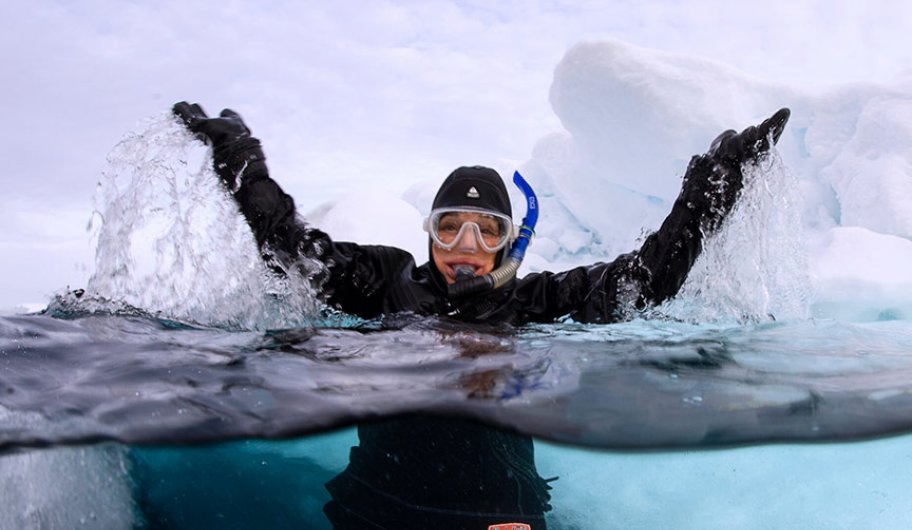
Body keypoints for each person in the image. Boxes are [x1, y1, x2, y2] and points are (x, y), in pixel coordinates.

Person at [172, 101, 789, 529]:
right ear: (429, 233)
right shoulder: (388, 283)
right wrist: (241, 160)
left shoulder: (535, 300)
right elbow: (294, 249)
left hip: (498, 510)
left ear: (507, 240)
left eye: (485, 229)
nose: (466, 244)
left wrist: (714, 185)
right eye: (450, 226)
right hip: (378, 507)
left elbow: (642, 282)